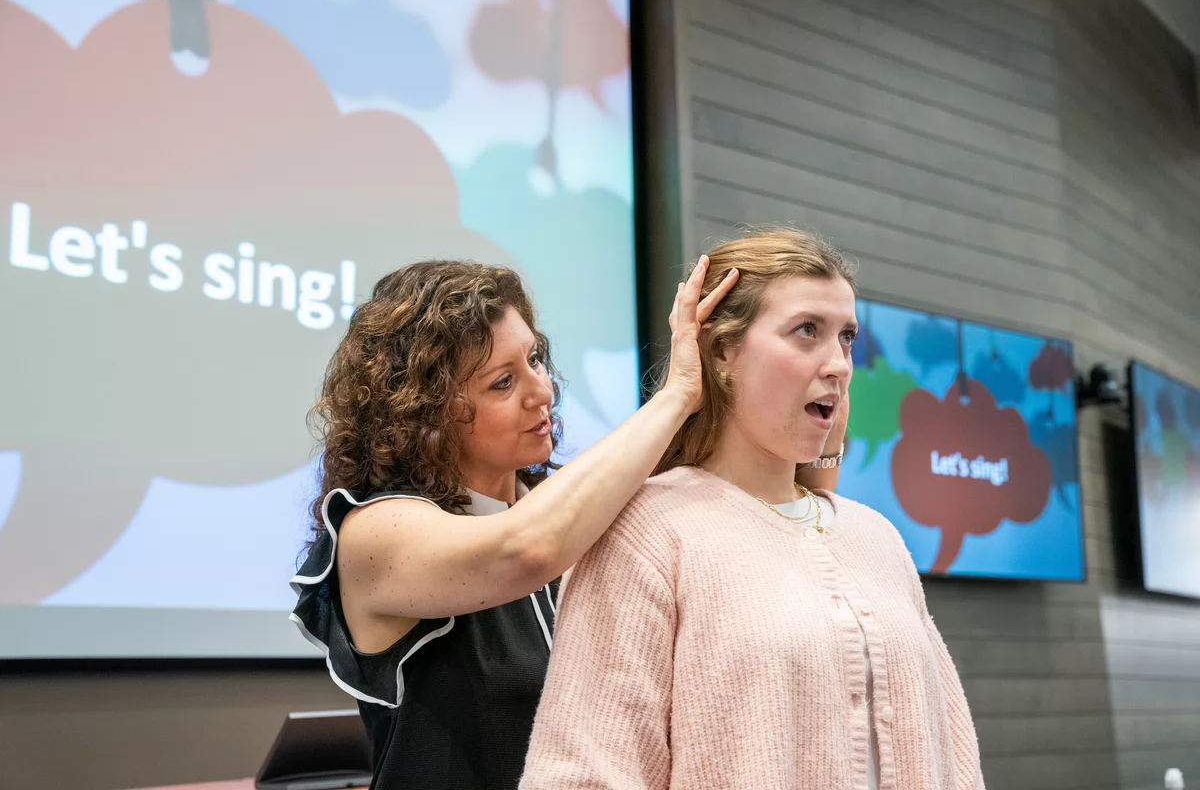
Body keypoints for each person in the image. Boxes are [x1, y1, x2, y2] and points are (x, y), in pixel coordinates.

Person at [289, 255, 849, 789]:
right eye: (501, 383)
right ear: (424, 413)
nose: (542, 390)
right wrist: (680, 392)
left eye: (534, 360)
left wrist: (819, 409)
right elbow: (526, 549)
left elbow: (789, 505)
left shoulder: (567, 511)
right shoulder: (373, 536)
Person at [520, 228, 984, 790]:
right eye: (807, 331)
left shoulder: (875, 536)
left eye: (846, 338)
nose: (838, 363)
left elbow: (955, 756)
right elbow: (585, 770)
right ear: (720, 351)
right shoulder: (647, 531)